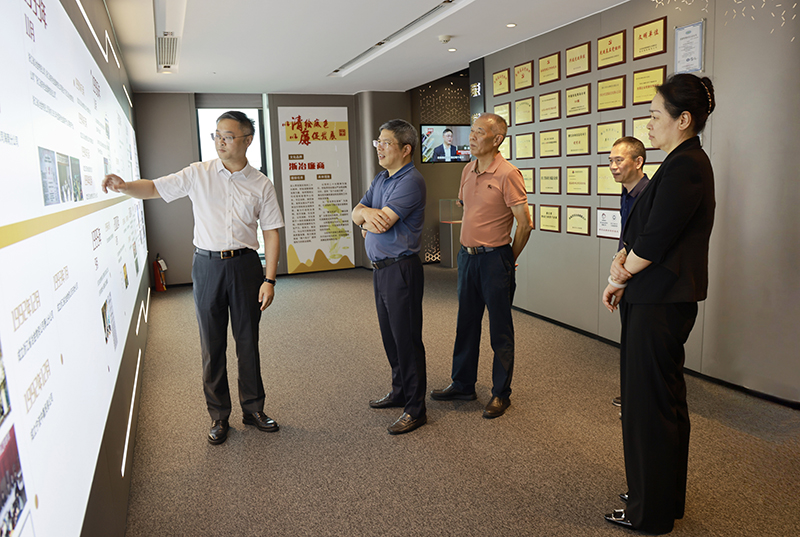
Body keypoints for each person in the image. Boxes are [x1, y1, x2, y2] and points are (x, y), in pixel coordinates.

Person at [102, 111, 284, 446]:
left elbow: (271, 232)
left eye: (228, 136)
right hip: (207, 265)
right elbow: (154, 188)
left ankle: (254, 409)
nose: (220, 141)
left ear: (247, 140)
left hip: (246, 267)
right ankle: (219, 415)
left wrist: (269, 279)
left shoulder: (261, 183)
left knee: (247, 341)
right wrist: (125, 186)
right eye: (217, 135)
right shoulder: (198, 173)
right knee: (211, 344)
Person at [602, 74, 716, 534]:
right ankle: (660, 497)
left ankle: (649, 513)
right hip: (656, 298)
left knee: (649, 405)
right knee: (661, 401)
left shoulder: (687, 165)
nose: (648, 124)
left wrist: (619, 275)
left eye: (654, 115)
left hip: (660, 301)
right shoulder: (681, 163)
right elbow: (646, 234)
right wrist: (623, 271)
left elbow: (655, 239)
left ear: (682, 119)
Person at [431, 113, 532, 418]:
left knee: (500, 329)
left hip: (494, 259)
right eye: (471, 132)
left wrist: (508, 258)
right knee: (466, 324)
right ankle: (463, 383)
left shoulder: (508, 173)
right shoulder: (467, 169)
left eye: (478, 132)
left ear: (497, 139)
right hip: (467, 258)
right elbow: (466, 206)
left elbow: (525, 224)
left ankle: (501, 393)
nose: (472, 137)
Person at [352, 119, 428, 435]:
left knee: (406, 339)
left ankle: (415, 408)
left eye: (386, 143)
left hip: (401, 269)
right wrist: (365, 216)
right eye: (378, 142)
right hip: (381, 270)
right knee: (390, 337)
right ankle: (399, 391)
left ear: (405, 149)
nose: (379, 148)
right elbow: (356, 213)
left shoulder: (411, 181)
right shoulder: (381, 178)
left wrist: (366, 219)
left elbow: (383, 222)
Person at [608, 137, 650, 409]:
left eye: (619, 160)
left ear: (638, 162)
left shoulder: (648, 194)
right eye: (611, 161)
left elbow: (646, 243)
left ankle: (640, 400)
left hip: (644, 279)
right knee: (630, 338)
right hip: (627, 274)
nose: (613, 166)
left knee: (641, 342)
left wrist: (619, 275)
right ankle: (633, 394)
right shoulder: (627, 192)